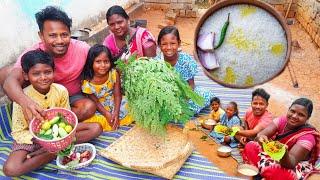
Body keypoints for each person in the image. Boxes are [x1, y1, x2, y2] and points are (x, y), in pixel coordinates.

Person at [3, 50, 102, 177]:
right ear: (26, 75)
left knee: (96, 128)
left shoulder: (61, 91)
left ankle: (50, 151)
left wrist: (61, 137)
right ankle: (53, 152)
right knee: (10, 169)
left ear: (54, 72)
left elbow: (67, 118)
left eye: (48, 72)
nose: (43, 77)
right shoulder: (22, 98)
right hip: (31, 138)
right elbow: (18, 131)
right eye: (36, 74)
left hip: (59, 135)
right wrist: (42, 141)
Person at [1, 6, 96, 122]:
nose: (60, 41)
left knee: (88, 108)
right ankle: (32, 115)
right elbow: (9, 82)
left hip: (71, 98)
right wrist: (26, 102)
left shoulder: (82, 49)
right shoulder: (33, 53)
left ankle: (48, 125)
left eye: (64, 35)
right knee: (6, 73)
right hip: (39, 99)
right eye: (52, 35)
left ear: (70, 33)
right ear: (41, 36)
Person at [242, 98, 320, 180]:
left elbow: (291, 163)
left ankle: (261, 172)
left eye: (301, 115)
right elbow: (261, 135)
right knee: (251, 146)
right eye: (292, 111)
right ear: (289, 109)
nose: (294, 116)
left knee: (276, 171)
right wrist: (261, 138)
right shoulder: (282, 120)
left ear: (307, 118)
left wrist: (283, 152)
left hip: (292, 164)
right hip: (275, 156)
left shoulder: (308, 137)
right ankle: (264, 173)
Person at [156, 26, 215, 114]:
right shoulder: (156, 63)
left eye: (172, 43)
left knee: (203, 95)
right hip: (164, 96)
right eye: (164, 44)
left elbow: (191, 85)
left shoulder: (186, 60)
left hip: (184, 95)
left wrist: (184, 100)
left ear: (179, 43)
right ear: (159, 45)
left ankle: (179, 111)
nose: (169, 47)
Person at [81, 44, 133, 131]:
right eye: (98, 62)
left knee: (131, 105)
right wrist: (106, 114)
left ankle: (116, 119)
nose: (103, 65)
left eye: (106, 61)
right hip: (100, 107)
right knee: (96, 120)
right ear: (91, 62)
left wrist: (116, 113)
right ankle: (113, 121)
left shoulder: (113, 73)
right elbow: (96, 102)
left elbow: (117, 95)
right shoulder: (87, 83)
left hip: (115, 102)